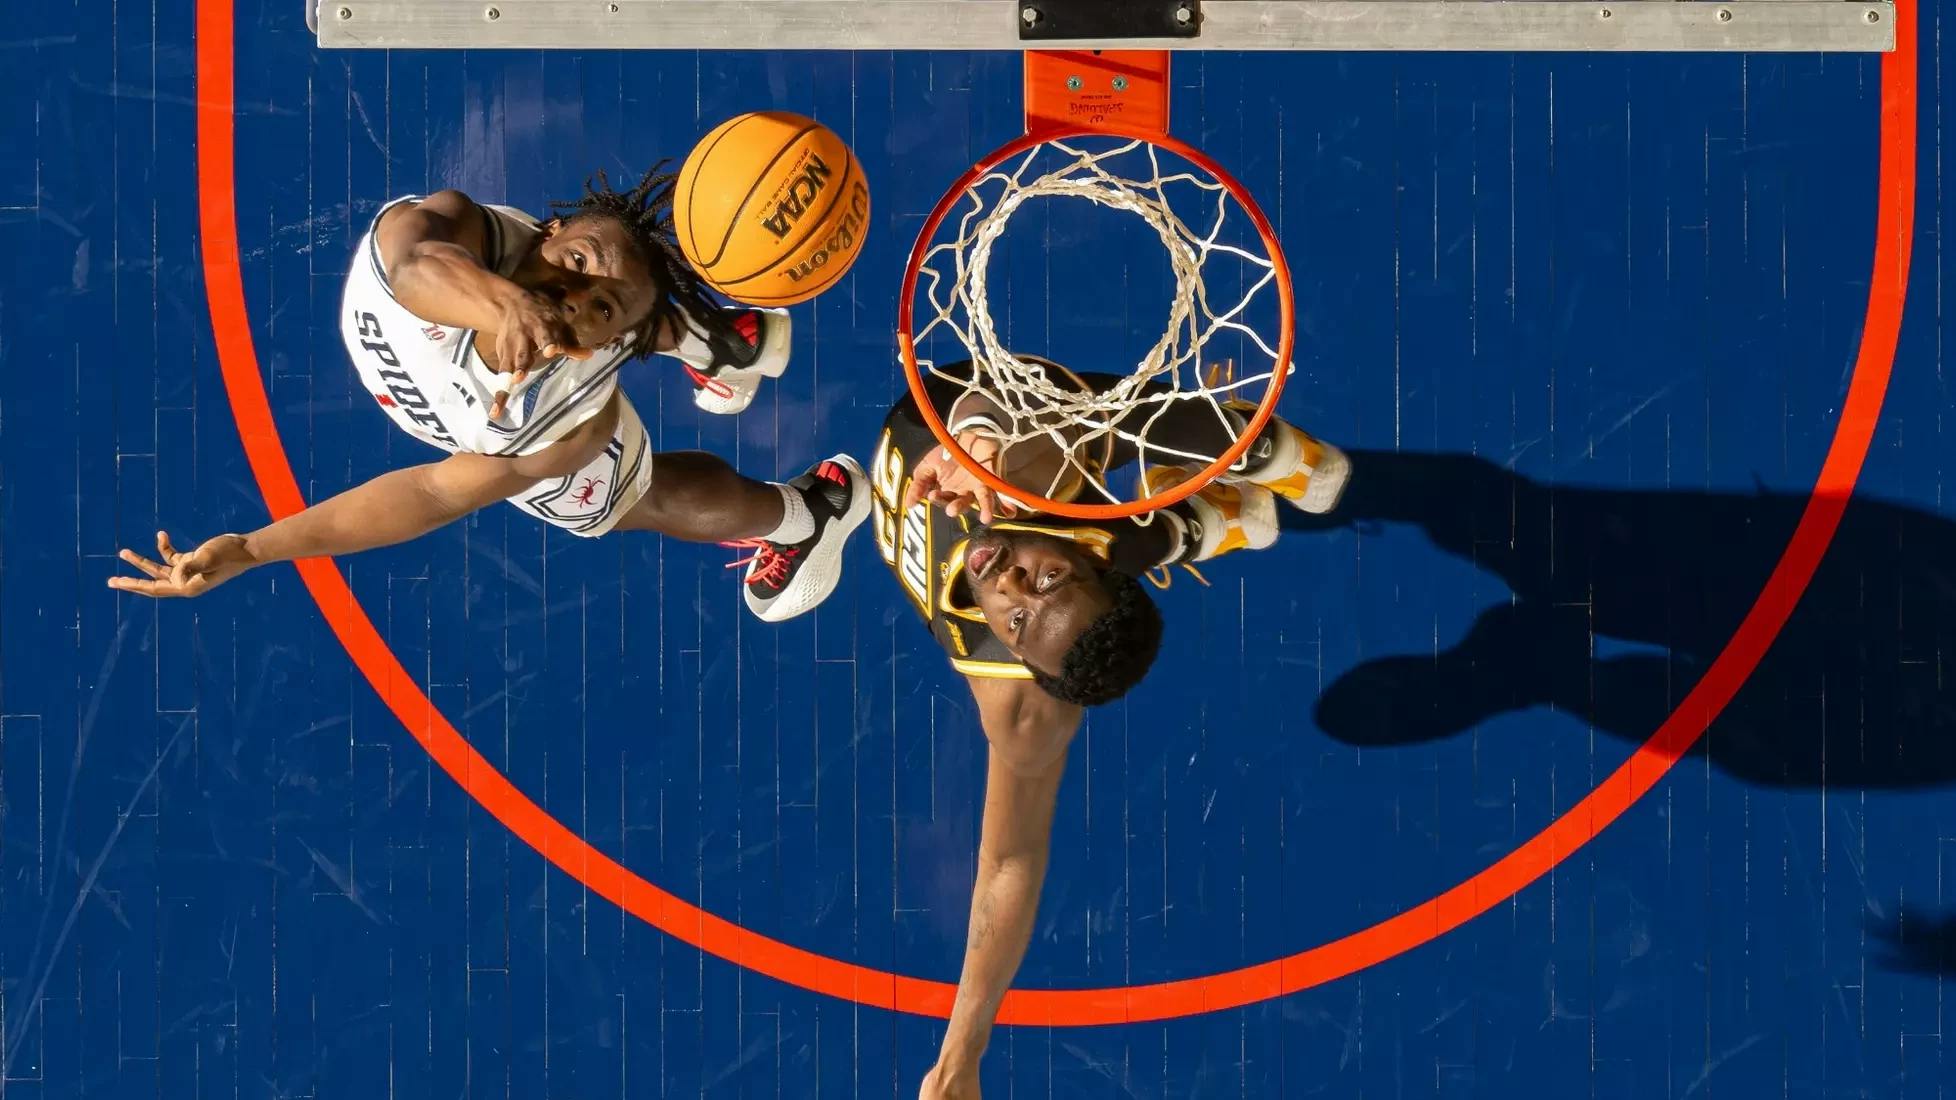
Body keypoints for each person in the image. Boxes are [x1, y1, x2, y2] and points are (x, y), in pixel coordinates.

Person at [863, 359, 1348, 1099]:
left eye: (1019, 619)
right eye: (1044, 577)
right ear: (1081, 561)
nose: (1010, 583)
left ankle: (1198, 524)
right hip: (1006, 419)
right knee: (1224, 452)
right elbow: (989, 402)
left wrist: (961, 1054)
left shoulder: (1022, 706)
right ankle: (1235, 476)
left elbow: (1010, 862)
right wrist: (979, 442)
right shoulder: (1030, 472)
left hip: (1065, 517)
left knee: (1111, 530)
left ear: (1020, 656)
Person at [107, 166, 866, 619]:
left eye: (598, 312)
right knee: (610, 298)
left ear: (608, 354)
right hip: (484, 337)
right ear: (547, 232)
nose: (572, 294)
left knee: (637, 499)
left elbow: (437, 492)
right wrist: (504, 304)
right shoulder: (448, 227)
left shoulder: (569, 421)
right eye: (573, 259)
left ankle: (807, 516)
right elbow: (417, 269)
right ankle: (714, 338)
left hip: (534, 426)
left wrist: (256, 548)